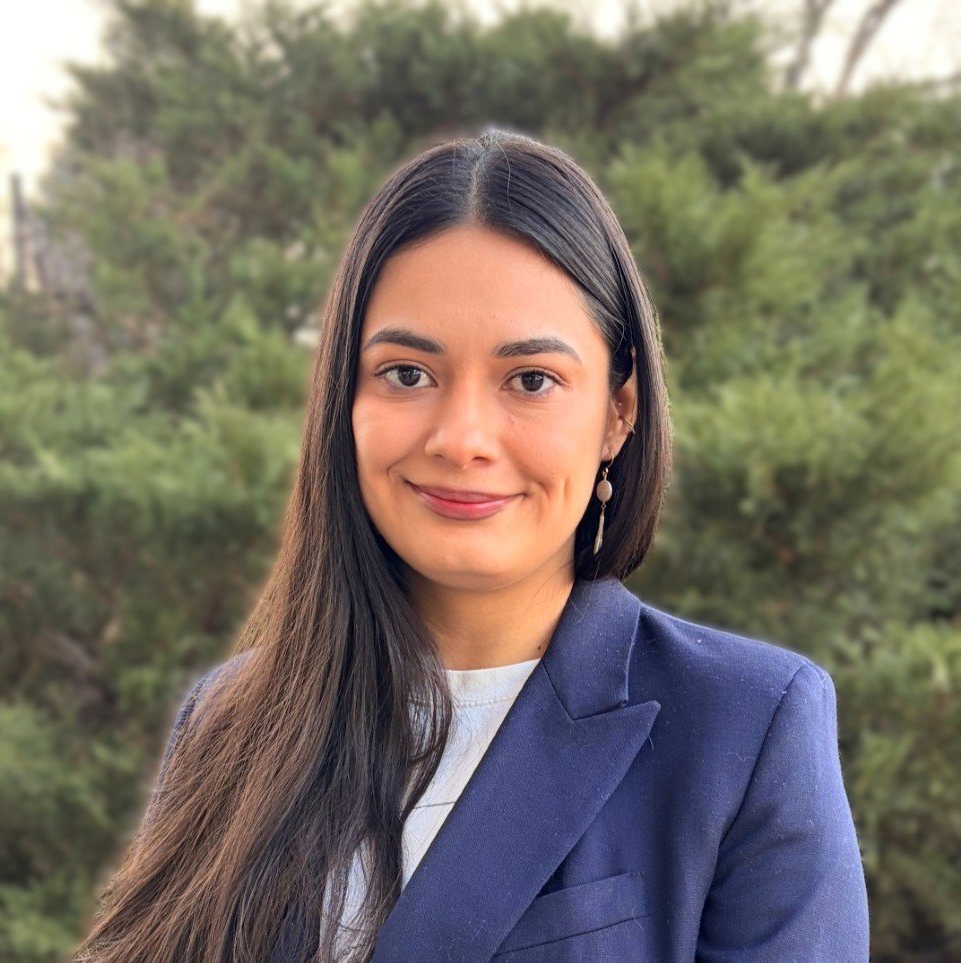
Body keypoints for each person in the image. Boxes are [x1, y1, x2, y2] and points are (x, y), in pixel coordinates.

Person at [74, 129, 870, 962]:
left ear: (617, 412)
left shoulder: (742, 726)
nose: (461, 439)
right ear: (343, 399)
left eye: (530, 380)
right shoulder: (229, 722)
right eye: (406, 373)